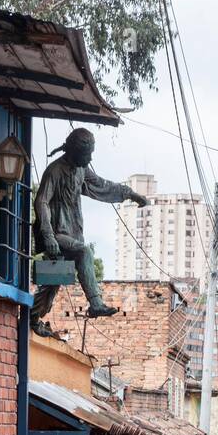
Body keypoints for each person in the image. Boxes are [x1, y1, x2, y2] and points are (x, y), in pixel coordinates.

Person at [32, 128, 149, 335]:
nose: (90, 159)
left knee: (55, 280)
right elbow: (41, 201)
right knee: (84, 252)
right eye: (87, 154)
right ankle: (95, 303)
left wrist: (130, 194)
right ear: (74, 152)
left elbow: (103, 186)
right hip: (56, 233)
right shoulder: (55, 171)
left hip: (72, 233)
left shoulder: (80, 171)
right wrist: (48, 235)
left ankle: (32, 316)